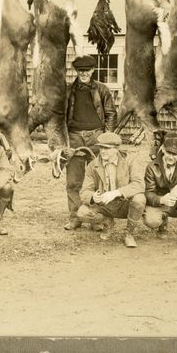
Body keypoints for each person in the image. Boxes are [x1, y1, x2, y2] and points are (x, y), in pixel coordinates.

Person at [63, 55, 117, 230]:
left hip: (97, 138)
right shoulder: (69, 90)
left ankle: (96, 217)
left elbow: (110, 114)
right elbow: (60, 116)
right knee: (73, 181)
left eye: (87, 70)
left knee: (99, 179)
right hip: (75, 137)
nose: (84, 73)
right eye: (80, 70)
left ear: (93, 70)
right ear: (77, 71)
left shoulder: (102, 89)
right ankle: (75, 217)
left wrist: (107, 138)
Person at [76, 132, 146, 248]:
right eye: (101, 147)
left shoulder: (130, 161)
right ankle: (107, 222)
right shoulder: (92, 166)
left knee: (139, 199)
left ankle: (129, 233)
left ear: (116, 149)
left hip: (124, 203)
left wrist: (116, 193)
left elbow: (139, 184)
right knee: (82, 213)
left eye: (107, 148)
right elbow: (84, 192)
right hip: (104, 204)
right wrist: (93, 197)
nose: (103, 151)